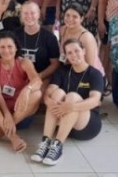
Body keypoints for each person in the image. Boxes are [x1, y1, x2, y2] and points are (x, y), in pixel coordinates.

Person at [31, 38, 104, 166]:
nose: (74, 55)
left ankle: (57, 146)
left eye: (77, 50)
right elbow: (48, 92)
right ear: (66, 56)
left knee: (73, 96)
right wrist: (49, 102)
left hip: (87, 125)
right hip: (65, 125)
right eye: (69, 53)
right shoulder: (63, 70)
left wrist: (71, 106)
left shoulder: (94, 74)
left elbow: (94, 101)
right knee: (57, 94)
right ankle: (45, 142)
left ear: (84, 51)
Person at [0, 32, 42, 152]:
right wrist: (7, 114)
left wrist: (27, 90)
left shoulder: (24, 62)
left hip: (21, 116)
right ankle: (13, 137)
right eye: (2, 47)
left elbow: (37, 81)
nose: (6, 50)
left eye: (10, 46)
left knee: (37, 93)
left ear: (16, 47)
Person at [14, 2, 60, 89]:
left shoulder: (49, 37)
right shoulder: (14, 35)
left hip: (43, 77)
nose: (29, 16)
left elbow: (55, 64)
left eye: (32, 13)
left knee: (34, 95)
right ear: (21, 15)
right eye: (25, 13)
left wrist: (39, 76)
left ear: (39, 14)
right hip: (20, 77)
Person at [59, 3, 104, 76]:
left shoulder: (86, 37)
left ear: (81, 19)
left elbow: (90, 66)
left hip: (89, 75)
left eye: (75, 16)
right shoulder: (63, 30)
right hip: (70, 71)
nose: (70, 19)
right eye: (67, 15)